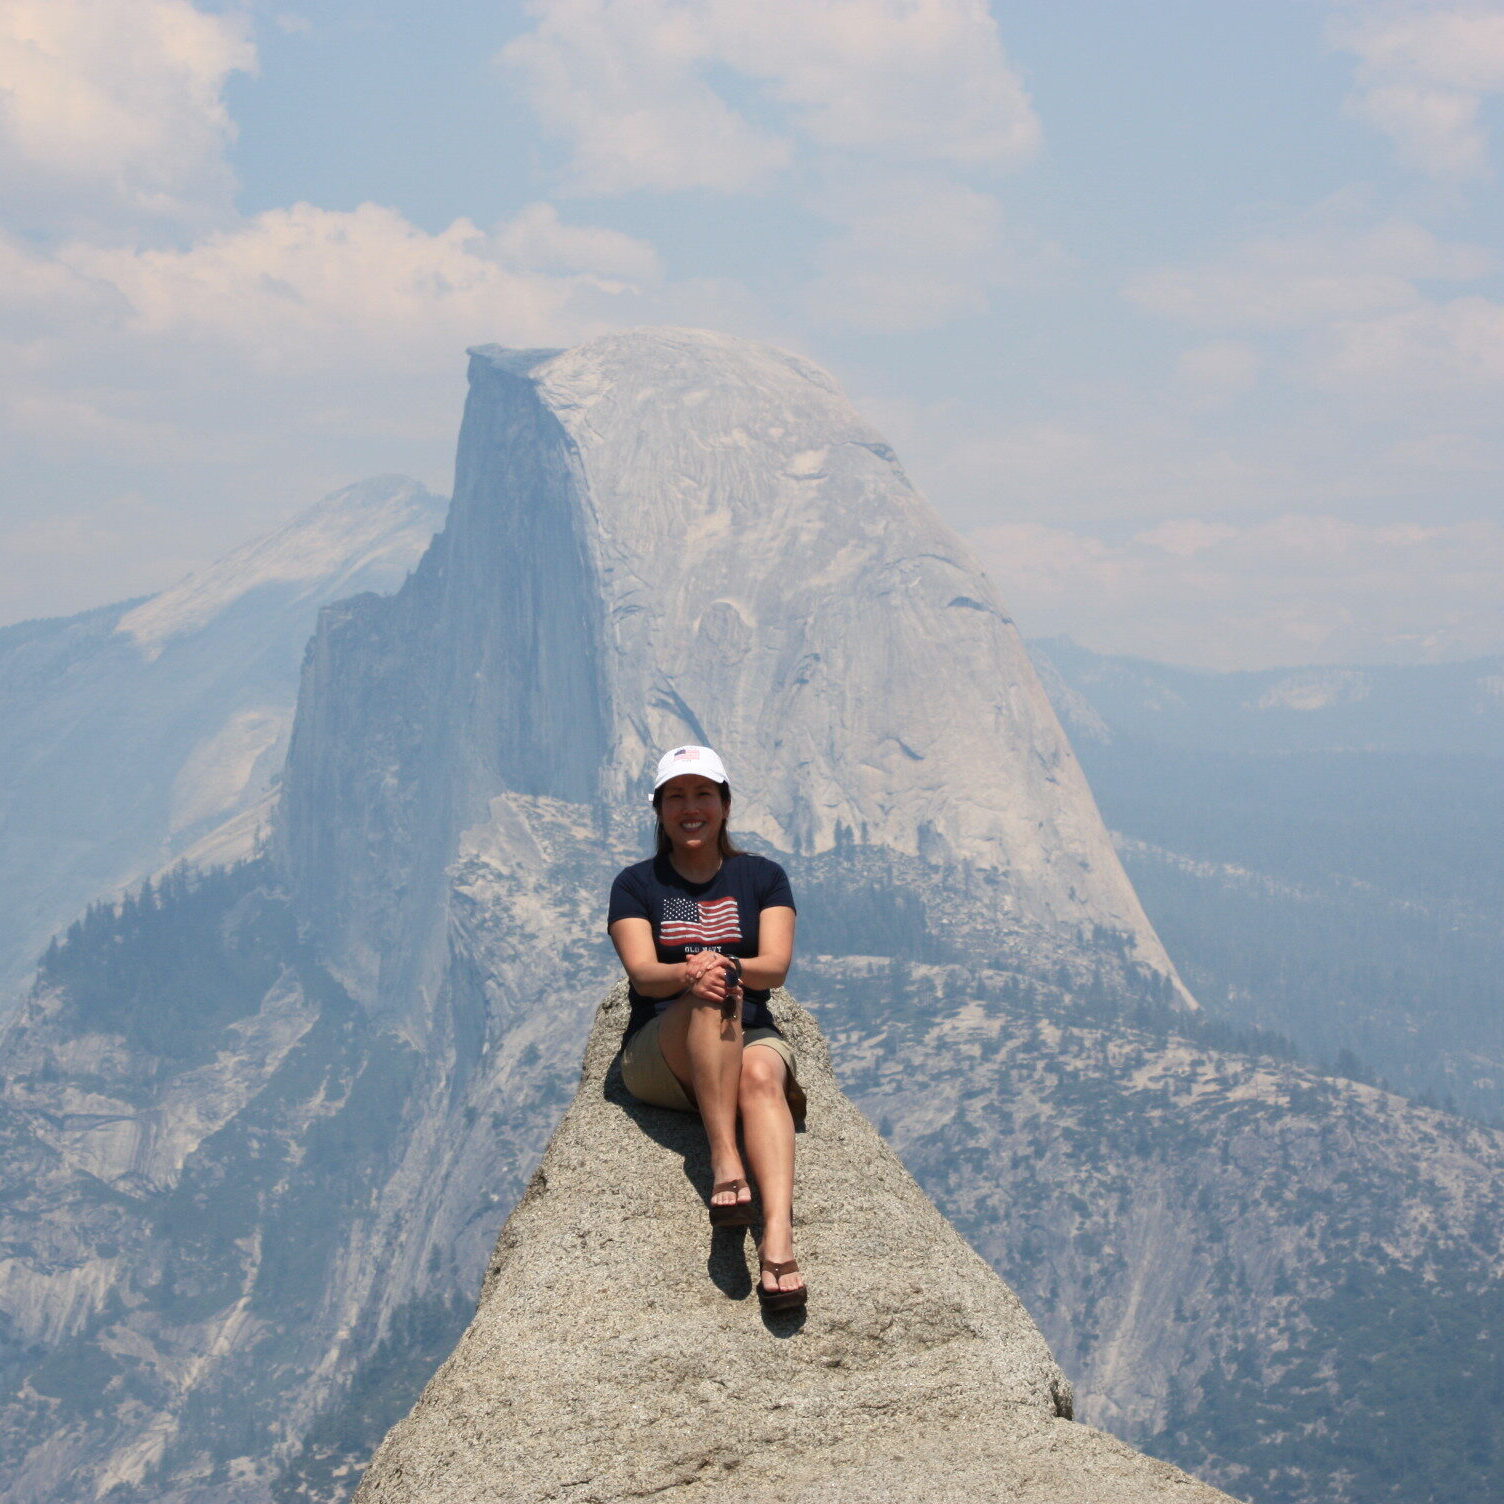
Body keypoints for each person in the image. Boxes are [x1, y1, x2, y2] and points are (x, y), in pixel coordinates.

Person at [607, 745, 807, 1311]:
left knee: (765, 1076)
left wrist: (728, 965)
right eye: (676, 796)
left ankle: (776, 1240)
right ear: (659, 809)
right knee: (703, 993)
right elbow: (646, 977)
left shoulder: (762, 877)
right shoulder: (636, 884)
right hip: (661, 1052)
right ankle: (725, 1160)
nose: (689, 807)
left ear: (723, 804)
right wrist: (695, 971)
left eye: (701, 794)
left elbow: (775, 966)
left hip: (747, 1032)